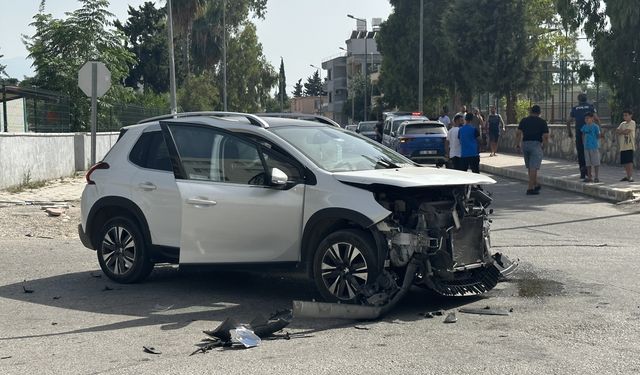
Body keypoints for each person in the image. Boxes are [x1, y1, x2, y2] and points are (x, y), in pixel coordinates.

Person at [516, 105, 549, 195]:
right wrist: (544, 146)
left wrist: (518, 145)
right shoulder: (542, 122)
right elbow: (545, 136)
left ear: (531, 111)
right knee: (534, 167)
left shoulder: (524, 120)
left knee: (530, 167)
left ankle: (536, 183)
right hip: (536, 144)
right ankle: (530, 189)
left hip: (525, 144)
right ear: (539, 112)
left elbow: (518, 133)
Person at [567, 93, 600, 180]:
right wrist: (599, 130)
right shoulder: (591, 107)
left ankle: (583, 173)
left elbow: (568, 120)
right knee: (592, 154)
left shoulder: (575, 108)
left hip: (580, 133)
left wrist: (569, 132)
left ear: (578, 100)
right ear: (586, 99)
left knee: (581, 153)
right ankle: (593, 175)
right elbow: (597, 119)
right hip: (591, 135)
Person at [580, 112, 601, 183]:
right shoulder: (584, 126)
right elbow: (582, 134)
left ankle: (596, 177)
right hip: (586, 146)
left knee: (595, 162)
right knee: (588, 163)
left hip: (594, 146)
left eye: (587, 118)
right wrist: (583, 143)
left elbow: (598, 135)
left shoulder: (595, 126)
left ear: (592, 118)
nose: (586, 120)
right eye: (585, 118)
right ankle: (589, 176)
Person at [616, 109, 636, 182]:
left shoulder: (632, 123)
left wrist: (622, 132)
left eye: (626, 115)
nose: (625, 117)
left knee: (629, 162)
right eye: (624, 115)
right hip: (622, 146)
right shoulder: (622, 124)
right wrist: (622, 132)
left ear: (630, 115)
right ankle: (627, 176)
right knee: (625, 162)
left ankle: (630, 176)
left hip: (629, 145)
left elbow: (627, 131)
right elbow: (617, 131)